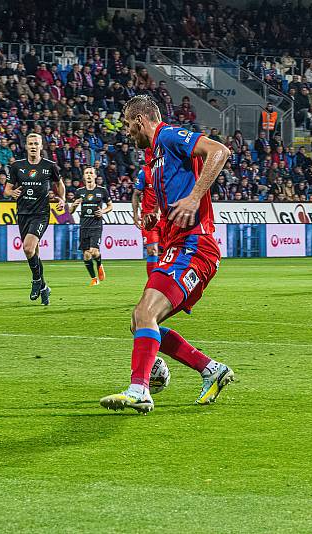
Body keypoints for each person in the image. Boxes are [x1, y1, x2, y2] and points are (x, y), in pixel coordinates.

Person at [99, 95, 235, 414]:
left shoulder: (169, 135)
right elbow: (173, 197)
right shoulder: (155, 157)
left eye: (127, 125)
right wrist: (156, 218)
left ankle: (140, 389)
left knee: (145, 313)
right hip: (178, 245)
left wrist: (193, 198)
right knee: (140, 320)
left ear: (140, 120)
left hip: (195, 246)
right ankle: (210, 369)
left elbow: (220, 151)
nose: (127, 132)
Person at [5, 133, 65, 306]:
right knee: (33, 253)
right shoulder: (17, 166)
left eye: (36, 143)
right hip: (23, 213)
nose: (33, 146)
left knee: (28, 247)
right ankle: (44, 286)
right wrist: (12, 192)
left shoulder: (49, 166)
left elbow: (59, 184)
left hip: (41, 214)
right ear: (26, 146)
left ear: (41, 146)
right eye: (30, 143)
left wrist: (62, 199)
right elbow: (7, 189)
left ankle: (36, 281)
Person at [69, 167, 112, 286]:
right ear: (84, 176)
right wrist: (73, 205)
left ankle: (99, 264)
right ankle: (94, 278)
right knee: (86, 254)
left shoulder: (102, 191)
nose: (88, 175)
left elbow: (110, 206)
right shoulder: (79, 192)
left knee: (93, 251)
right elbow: (71, 211)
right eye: (86, 173)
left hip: (96, 224)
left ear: (95, 176)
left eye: (91, 173)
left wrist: (103, 211)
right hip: (84, 225)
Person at [132, 148, 165, 276]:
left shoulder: (166, 171)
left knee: (165, 252)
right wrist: (135, 216)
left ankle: (162, 283)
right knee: (152, 251)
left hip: (165, 217)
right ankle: (152, 284)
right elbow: (136, 194)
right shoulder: (144, 172)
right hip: (148, 218)